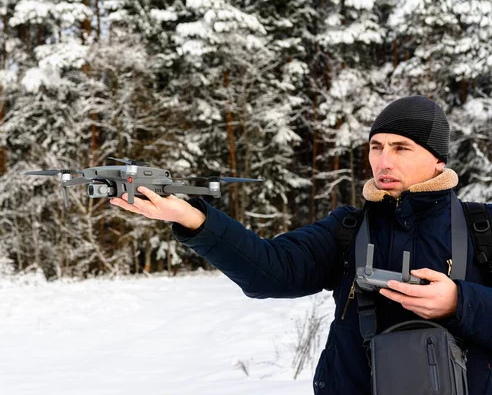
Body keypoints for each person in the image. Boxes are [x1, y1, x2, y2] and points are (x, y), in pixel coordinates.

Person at [109, 95, 492, 394]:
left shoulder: (483, 227)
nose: (383, 161)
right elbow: (271, 271)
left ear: (438, 160)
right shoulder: (347, 229)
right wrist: (193, 219)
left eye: (401, 148)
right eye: (376, 146)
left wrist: (461, 302)